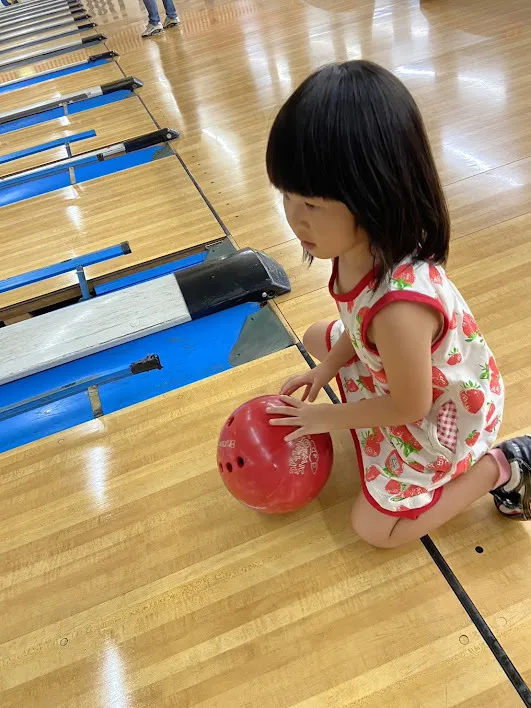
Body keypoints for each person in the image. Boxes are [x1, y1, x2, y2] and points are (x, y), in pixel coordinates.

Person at [264, 60, 531, 548]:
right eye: (287, 196)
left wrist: (323, 418)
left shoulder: (399, 307)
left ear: (374, 195)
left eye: (313, 205)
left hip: (444, 416)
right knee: (316, 338)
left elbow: (410, 405)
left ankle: (503, 465)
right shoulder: (353, 249)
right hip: (414, 373)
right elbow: (355, 317)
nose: (294, 219)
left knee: (376, 530)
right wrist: (325, 371)